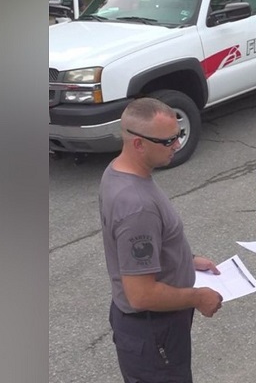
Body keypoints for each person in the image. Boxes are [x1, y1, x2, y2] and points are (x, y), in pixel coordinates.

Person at [99, 97, 223, 383]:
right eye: (168, 141)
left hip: (151, 330)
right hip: (154, 334)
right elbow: (141, 294)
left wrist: (186, 261)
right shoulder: (136, 206)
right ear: (138, 144)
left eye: (178, 135)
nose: (177, 145)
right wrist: (198, 297)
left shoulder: (118, 171)